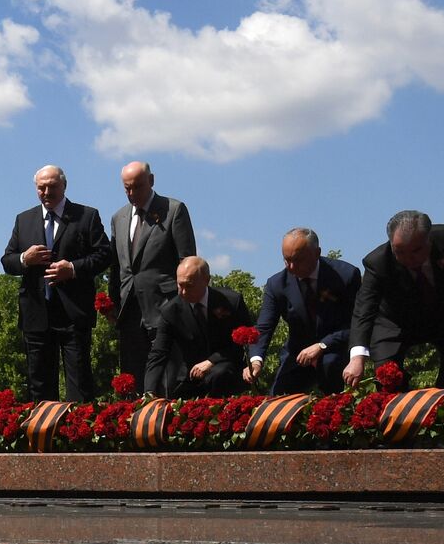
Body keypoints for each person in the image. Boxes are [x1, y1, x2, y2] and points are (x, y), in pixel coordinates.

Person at [343, 210, 444, 390]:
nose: (409, 259)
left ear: (429, 240)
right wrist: (357, 357)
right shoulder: (377, 262)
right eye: (399, 252)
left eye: (416, 250)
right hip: (394, 320)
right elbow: (364, 308)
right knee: (386, 376)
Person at [0, 165, 114, 402]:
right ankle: (43, 434)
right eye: (41, 187)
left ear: (64, 185)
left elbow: (104, 255)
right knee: (39, 385)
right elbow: (7, 261)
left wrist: (72, 269)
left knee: (79, 382)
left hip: (73, 313)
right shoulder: (24, 220)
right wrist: (25, 259)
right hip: (36, 314)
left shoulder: (86, 216)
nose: (46, 192)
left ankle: (76, 434)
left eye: (52, 186)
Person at [109, 161, 197, 391]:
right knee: (133, 379)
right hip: (129, 311)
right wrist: (114, 306)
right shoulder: (118, 218)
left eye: (137, 187)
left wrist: (181, 305)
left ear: (151, 180)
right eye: (126, 188)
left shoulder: (174, 210)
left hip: (164, 308)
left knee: (168, 377)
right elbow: (117, 266)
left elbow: (187, 261)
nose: (131, 193)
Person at [244, 228, 361, 394]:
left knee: (331, 382)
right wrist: (255, 361)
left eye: (298, 260)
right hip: (297, 354)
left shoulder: (346, 275)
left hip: (335, 350)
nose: (291, 267)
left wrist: (323, 345)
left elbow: (357, 323)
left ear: (317, 253)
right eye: (286, 260)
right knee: (277, 400)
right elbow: (264, 327)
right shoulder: (276, 284)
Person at [145, 256, 251, 398]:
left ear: (206, 280)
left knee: (219, 374)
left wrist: (211, 361)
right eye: (179, 285)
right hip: (190, 378)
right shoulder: (170, 311)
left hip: (226, 372)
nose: (182, 292)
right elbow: (159, 353)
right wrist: (149, 391)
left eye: (188, 286)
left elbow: (243, 344)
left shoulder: (231, 302)